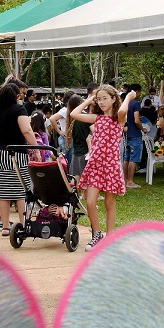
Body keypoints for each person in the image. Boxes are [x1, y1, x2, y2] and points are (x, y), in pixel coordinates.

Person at [0, 82, 37, 235]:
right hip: (17, 153)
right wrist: (36, 148)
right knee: (22, 190)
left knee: (3, 191)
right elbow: (26, 130)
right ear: (16, 96)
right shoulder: (19, 109)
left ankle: (5, 226)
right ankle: (23, 224)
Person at [70, 85, 126, 252]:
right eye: (99, 99)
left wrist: (129, 97)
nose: (101, 102)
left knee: (109, 203)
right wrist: (89, 99)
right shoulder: (97, 118)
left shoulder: (118, 119)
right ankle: (97, 234)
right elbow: (74, 114)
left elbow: (122, 110)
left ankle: (110, 237)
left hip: (111, 166)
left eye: (105, 99)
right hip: (95, 164)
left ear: (114, 99)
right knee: (90, 202)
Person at [122, 83, 144, 189]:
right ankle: (130, 181)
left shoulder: (125, 103)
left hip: (126, 134)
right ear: (136, 92)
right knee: (134, 158)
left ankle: (125, 180)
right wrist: (142, 128)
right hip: (135, 133)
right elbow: (137, 120)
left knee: (126, 158)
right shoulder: (135, 103)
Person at [64, 94, 87, 185]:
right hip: (84, 148)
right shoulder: (83, 117)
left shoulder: (70, 117)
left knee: (76, 173)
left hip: (77, 149)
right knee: (84, 173)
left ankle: (74, 190)